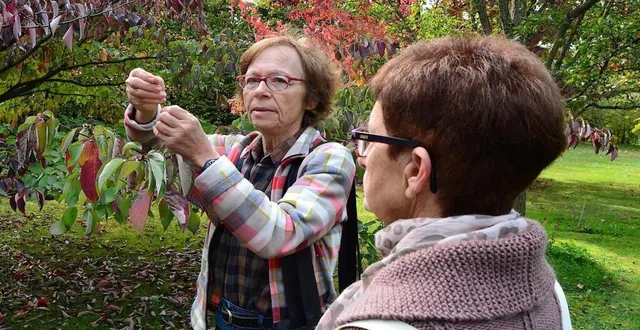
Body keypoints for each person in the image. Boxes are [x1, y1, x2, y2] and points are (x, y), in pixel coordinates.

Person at [317, 36, 570, 330]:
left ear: (416, 171)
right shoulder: (547, 291)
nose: (363, 157)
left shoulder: (379, 322)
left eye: (370, 139)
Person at [124, 35, 356, 330]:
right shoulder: (235, 151)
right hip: (222, 319)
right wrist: (146, 108)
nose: (260, 91)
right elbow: (157, 145)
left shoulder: (328, 159)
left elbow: (280, 234)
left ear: (311, 98)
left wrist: (206, 160)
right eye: (252, 80)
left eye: (279, 81)